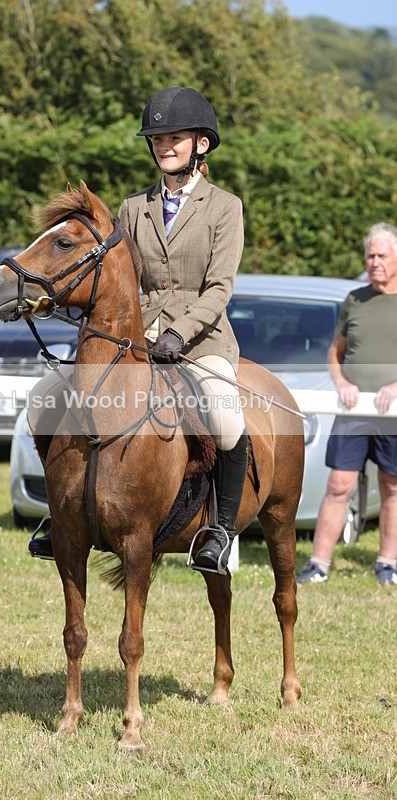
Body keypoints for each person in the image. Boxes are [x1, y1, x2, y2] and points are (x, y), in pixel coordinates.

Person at [30, 86, 247, 573]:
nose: (164, 146)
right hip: (137, 337)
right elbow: (123, 280)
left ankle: (219, 531)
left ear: (201, 144)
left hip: (201, 341)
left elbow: (220, 288)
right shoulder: (133, 208)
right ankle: (59, 514)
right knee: (44, 397)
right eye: (158, 139)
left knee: (224, 412)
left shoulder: (223, 207)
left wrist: (179, 332)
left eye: (175, 138)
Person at [297, 222, 397, 586]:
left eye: (382, 255)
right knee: (339, 484)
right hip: (353, 412)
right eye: (370, 256)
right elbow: (334, 353)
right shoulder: (355, 299)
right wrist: (341, 383)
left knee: (392, 486)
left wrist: (395, 387)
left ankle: (388, 564)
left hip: (392, 414)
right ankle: (318, 565)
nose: (374, 262)